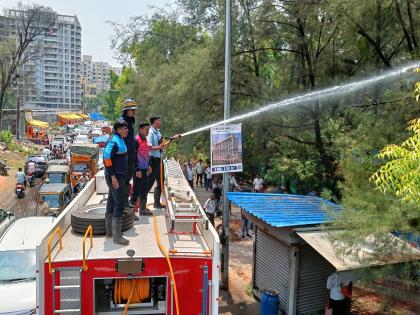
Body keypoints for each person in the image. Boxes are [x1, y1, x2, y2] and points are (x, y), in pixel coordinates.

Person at [103, 118, 130, 245]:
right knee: (119, 204)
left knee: (111, 202)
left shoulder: (119, 138)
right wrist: (113, 177)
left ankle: (110, 232)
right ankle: (117, 237)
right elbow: (107, 157)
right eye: (125, 128)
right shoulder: (114, 140)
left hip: (118, 176)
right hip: (116, 177)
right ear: (118, 129)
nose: (127, 130)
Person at [147, 114, 180, 208]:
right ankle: (142, 205)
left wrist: (172, 139)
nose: (160, 122)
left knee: (161, 181)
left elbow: (163, 145)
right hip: (152, 160)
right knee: (149, 181)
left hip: (159, 159)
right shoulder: (150, 133)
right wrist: (159, 147)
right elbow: (149, 148)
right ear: (154, 121)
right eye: (159, 120)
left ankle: (156, 203)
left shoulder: (157, 132)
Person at [129, 122, 153, 216]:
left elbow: (146, 153)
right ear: (141, 129)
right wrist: (137, 169)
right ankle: (132, 213)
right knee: (136, 190)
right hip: (138, 169)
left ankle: (143, 209)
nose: (148, 131)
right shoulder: (137, 140)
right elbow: (133, 156)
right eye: (146, 130)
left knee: (144, 189)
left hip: (144, 168)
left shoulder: (145, 139)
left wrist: (149, 165)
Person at [120, 98, 137, 212]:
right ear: (126, 110)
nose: (134, 111)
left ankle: (126, 202)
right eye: (132, 109)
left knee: (127, 180)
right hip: (124, 156)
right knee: (123, 180)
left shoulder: (130, 120)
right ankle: (122, 205)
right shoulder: (122, 122)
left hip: (130, 155)